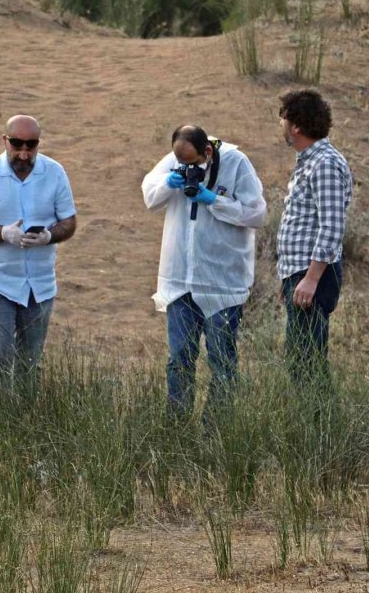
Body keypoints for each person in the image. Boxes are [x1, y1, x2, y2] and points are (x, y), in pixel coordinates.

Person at [142, 125, 266, 419]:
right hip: (179, 283)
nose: (188, 168)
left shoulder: (236, 163)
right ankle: (177, 429)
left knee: (222, 363)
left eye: (193, 163)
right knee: (178, 361)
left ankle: (217, 432)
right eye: (181, 163)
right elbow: (150, 197)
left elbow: (256, 214)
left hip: (222, 284)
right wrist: (169, 182)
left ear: (208, 151)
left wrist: (213, 201)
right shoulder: (176, 160)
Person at [0, 115, 76, 403]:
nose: (24, 153)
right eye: (17, 144)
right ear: (5, 141)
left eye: (31, 145)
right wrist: (3, 233)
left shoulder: (54, 173)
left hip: (40, 285)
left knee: (30, 363)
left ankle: (26, 422)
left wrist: (48, 236)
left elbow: (69, 222)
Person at [276, 89, 353, 384]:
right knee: (301, 362)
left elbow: (331, 225)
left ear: (296, 125)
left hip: (313, 275)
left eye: (283, 118)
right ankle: (314, 413)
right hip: (300, 274)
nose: (280, 124)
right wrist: (290, 278)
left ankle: (320, 415)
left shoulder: (324, 163)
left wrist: (310, 279)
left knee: (306, 365)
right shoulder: (310, 161)